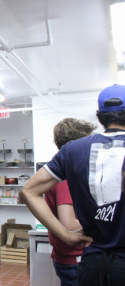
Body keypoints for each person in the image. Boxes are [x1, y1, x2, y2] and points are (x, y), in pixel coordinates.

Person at [20, 84, 125, 286]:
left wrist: (65, 235)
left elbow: (28, 191)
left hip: (91, 263)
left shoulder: (72, 150)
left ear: (100, 116)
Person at [44, 118, 97, 286]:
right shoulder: (66, 177)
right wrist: (103, 228)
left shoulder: (61, 172)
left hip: (69, 257)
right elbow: (69, 223)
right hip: (74, 259)